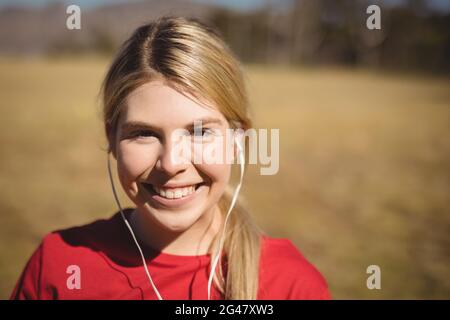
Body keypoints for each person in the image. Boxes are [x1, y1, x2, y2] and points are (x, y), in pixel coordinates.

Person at [11, 16, 330, 300]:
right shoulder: (59, 266)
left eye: (200, 132)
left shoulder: (290, 286)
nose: (171, 163)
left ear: (238, 139)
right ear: (112, 138)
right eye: (144, 134)